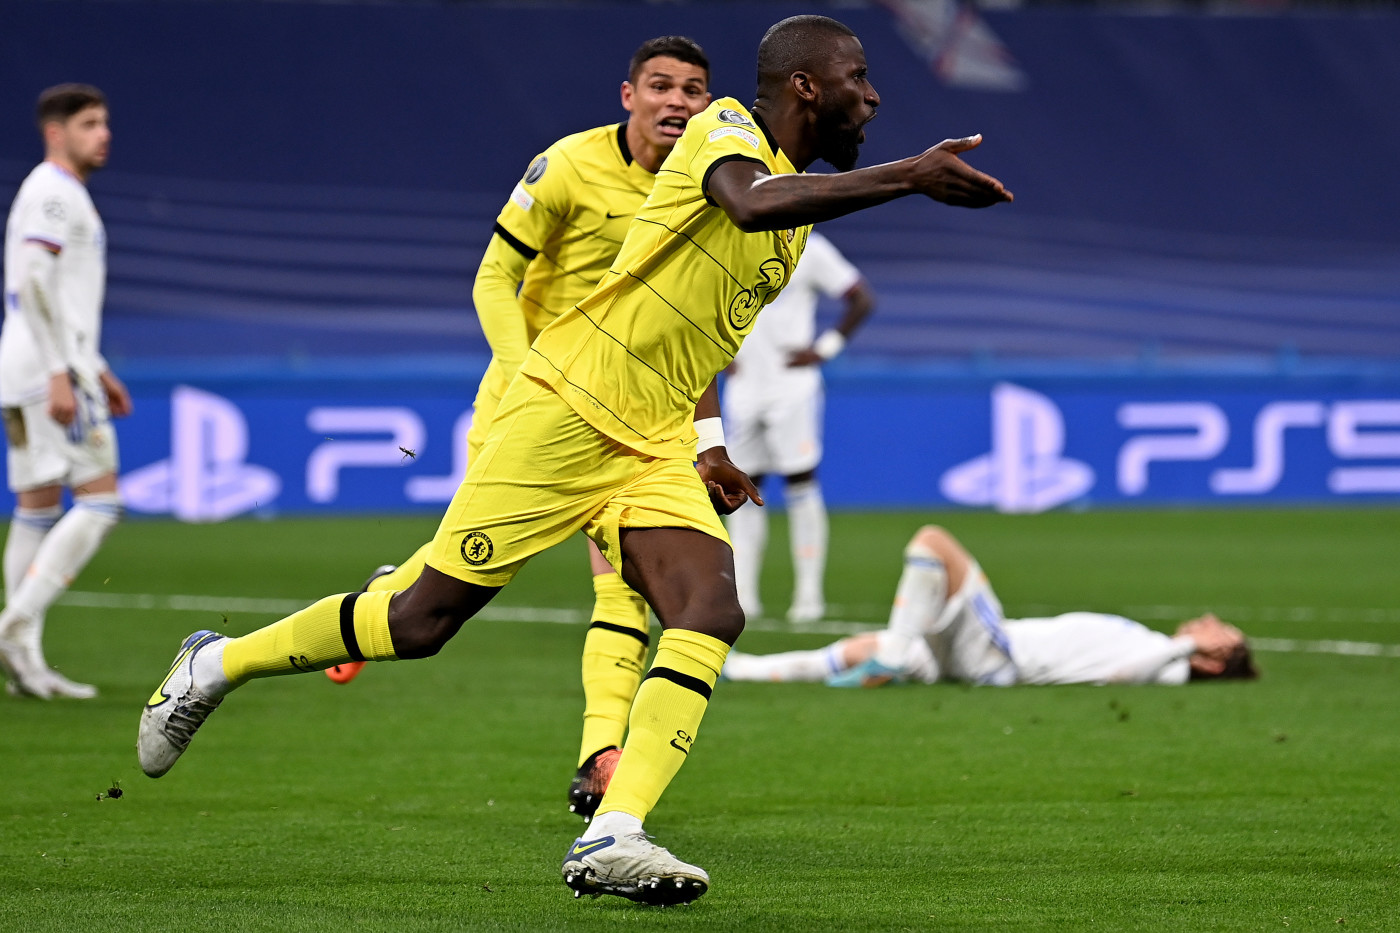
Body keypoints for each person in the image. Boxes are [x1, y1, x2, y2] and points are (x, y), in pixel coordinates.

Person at [137, 14, 1011, 906]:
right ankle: (217, 662)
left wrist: (706, 443)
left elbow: (698, 331)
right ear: (805, 87)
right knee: (419, 622)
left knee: (709, 605)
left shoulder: (795, 215)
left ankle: (613, 831)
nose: (875, 95)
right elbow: (747, 200)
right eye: (860, 76)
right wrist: (910, 174)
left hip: (653, 435)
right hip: (566, 409)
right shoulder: (728, 134)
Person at [324, 36, 713, 824]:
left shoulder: (706, 189)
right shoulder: (568, 164)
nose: (678, 101)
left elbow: (693, 327)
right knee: (444, 590)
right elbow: (495, 274)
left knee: (625, 578)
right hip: (531, 404)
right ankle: (375, 603)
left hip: (631, 420)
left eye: (694, 90)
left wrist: (707, 437)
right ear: (628, 95)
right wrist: (528, 364)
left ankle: (601, 754)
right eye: (662, 86)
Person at [724, 524, 1258, 688]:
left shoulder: (1164, 665)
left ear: (1210, 661)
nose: (1209, 622)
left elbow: (1118, 676)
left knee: (934, 543)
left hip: (1000, 654)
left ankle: (894, 647)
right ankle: (743, 671)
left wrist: (1184, 646)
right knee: (863, 648)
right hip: (986, 655)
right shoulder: (1160, 648)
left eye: (1218, 635)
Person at [0, 84, 129, 700]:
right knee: (101, 502)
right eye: (89, 123)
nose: (103, 134)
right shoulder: (55, 193)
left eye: (104, 123)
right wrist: (63, 370)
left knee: (36, 504)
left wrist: (95, 365)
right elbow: (33, 279)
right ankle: (14, 623)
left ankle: (26, 660)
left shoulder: (48, 190)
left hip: (22, 363)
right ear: (56, 132)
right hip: (46, 368)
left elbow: (60, 296)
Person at [723, 229, 875, 622]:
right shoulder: (731, 239)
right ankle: (744, 597)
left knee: (801, 485)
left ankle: (808, 597)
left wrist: (824, 350)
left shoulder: (811, 247)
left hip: (792, 389)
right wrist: (717, 351)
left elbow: (862, 298)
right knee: (742, 490)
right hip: (744, 388)